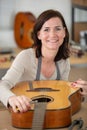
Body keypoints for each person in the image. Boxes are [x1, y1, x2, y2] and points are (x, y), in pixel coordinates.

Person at [0, 9, 70, 113]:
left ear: (64, 32)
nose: (52, 35)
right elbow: (3, 85)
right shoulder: (25, 57)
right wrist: (12, 98)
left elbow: (63, 93)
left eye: (58, 29)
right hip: (25, 112)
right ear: (38, 35)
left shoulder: (64, 61)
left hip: (50, 112)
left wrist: (78, 93)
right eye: (46, 30)